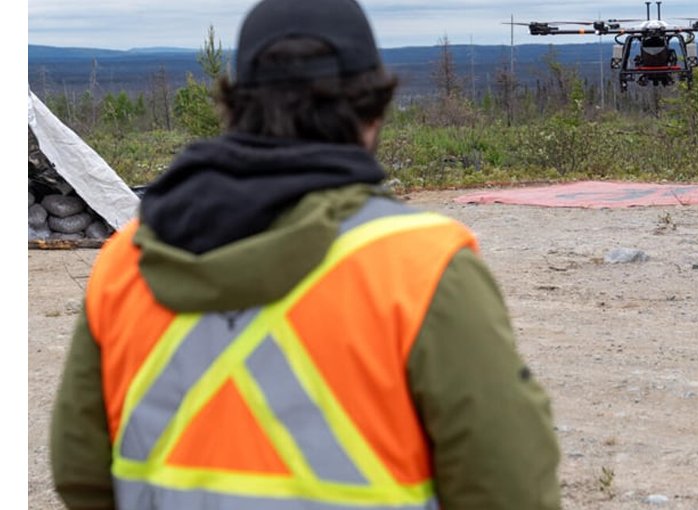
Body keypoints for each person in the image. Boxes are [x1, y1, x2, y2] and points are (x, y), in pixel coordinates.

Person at [49, 0, 562, 508]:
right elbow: (508, 488)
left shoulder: (127, 262)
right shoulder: (421, 267)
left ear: (233, 106)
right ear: (374, 110)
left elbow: (79, 475)